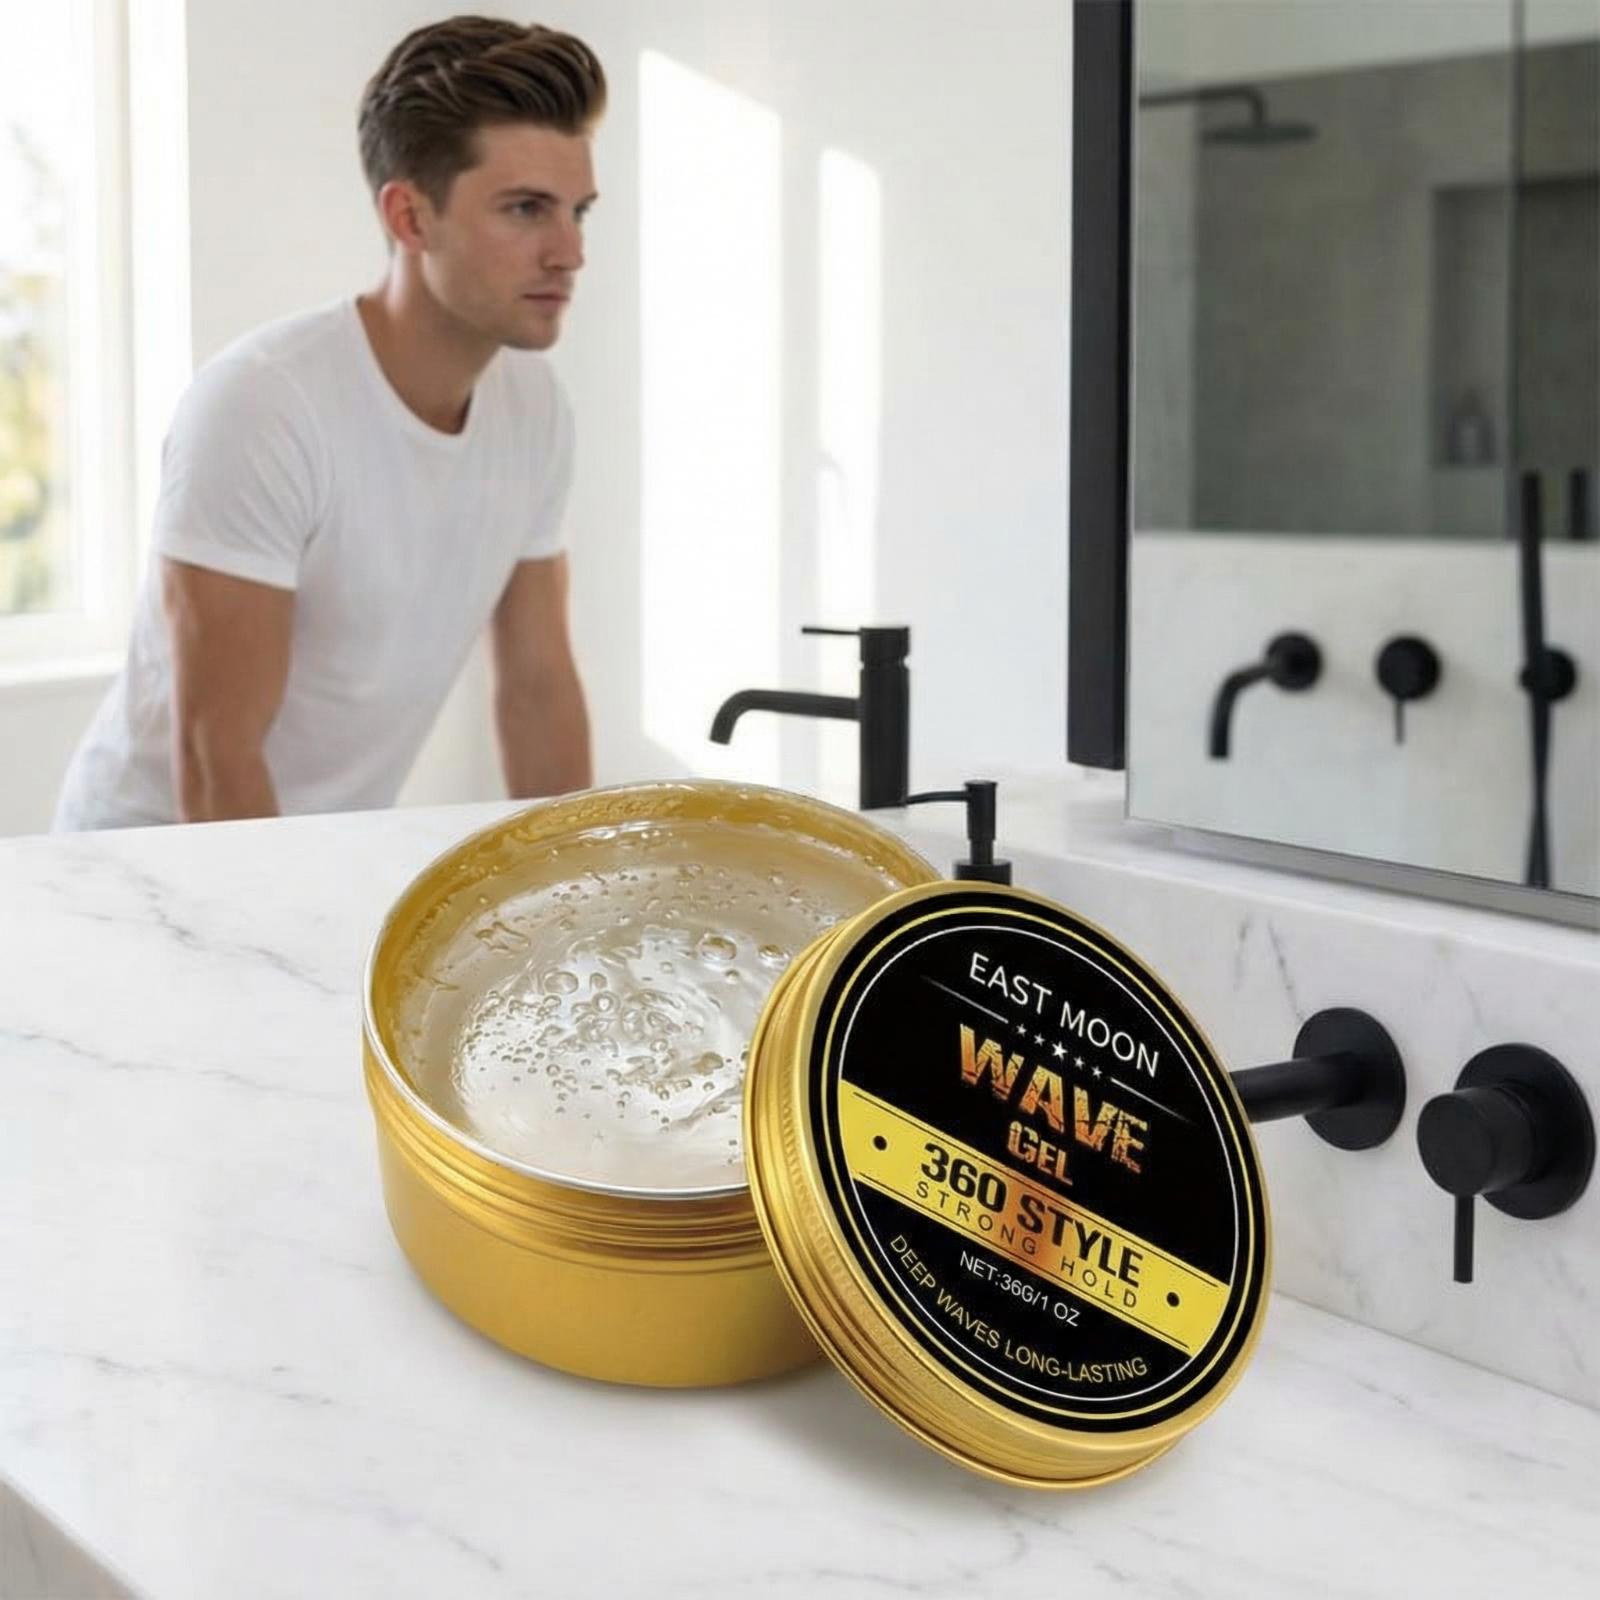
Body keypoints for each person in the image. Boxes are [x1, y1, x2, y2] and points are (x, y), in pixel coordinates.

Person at [53, 17, 603, 830]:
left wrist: (582, 883)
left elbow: (537, 689)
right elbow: (217, 755)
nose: (569, 252)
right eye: (526, 209)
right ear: (410, 218)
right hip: (145, 868)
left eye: (578, 211)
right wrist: (277, 914)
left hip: (321, 852)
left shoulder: (535, 407)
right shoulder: (263, 406)